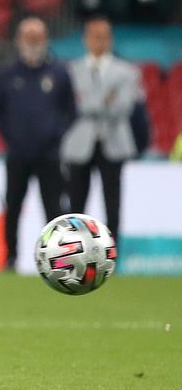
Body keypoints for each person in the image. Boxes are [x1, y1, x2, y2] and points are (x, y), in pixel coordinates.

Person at [0, 18, 74, 268]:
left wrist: (56, 134)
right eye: (28, 36)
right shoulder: (7, 73)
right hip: (17, 153)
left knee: (53, 208)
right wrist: (10, 136)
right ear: (19, 40)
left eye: (37, 37)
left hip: (49, 153)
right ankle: (10, 257)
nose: (33, 42)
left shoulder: (59, 72)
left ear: (46, 39)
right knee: (13, 206)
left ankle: (58, 259)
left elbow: (70, 110)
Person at [61, 17, 141, 241]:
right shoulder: (71, 71)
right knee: (75, 202)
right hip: (80, 143)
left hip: (113, 143)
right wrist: (104, 100)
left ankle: (112, 254)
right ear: (86, 40)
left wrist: (86, 101)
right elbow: (70, 107)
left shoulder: (126, 71)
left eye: (104, 37)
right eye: (95, 36)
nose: (100, 41)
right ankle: (72, 250)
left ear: (111, 40)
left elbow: (123, 107)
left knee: (113, 203)